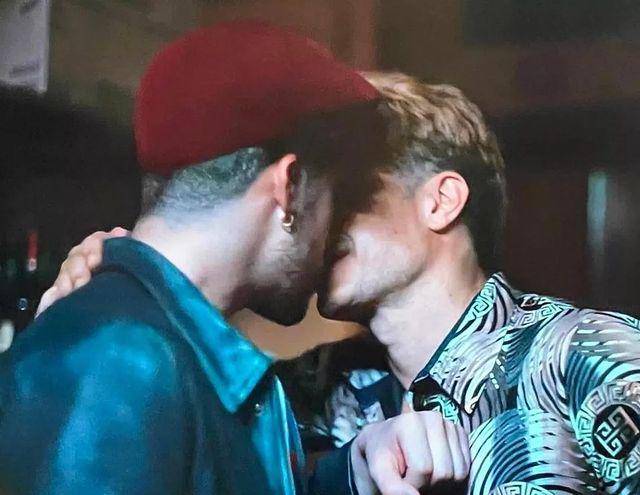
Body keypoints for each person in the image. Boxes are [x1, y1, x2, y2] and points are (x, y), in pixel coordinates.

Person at [48, 71, 640, 494]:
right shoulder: (302, 391)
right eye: (311, 190)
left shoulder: (588, 356)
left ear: (440, 201)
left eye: (346, 191)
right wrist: (109, 294)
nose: (314, 217)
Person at [0, 26, 469, 495]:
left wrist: (352, 471)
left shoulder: (166, 353)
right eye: (336, 198)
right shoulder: (120, 364)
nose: (332, 234)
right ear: (289, 188)